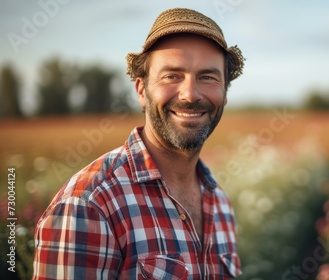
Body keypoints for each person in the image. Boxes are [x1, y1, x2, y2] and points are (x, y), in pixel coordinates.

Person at [33, 8, 244, 279]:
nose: (190, 94)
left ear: (225, 92)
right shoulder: (89, 204)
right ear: (142, 90)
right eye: (171, 75)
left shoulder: (220, 202)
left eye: (208, 77)